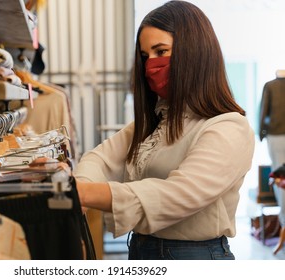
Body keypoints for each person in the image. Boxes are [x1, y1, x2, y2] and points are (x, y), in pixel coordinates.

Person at [73, 0, 255, 260]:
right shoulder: (155, 122)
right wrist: (82, 186)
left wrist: (88, 193)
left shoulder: (228, 128)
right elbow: (100, 158)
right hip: (141, 250)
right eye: (145, 56)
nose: (150, 66)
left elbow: (177, 194)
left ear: (194, 51)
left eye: (161, 51)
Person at [259, 69, 285, 254]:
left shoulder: (270, 86)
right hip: (276, 135)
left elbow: (264, 108)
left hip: (276, 135)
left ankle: (284, 221)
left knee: (280, 178)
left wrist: (261, 131)